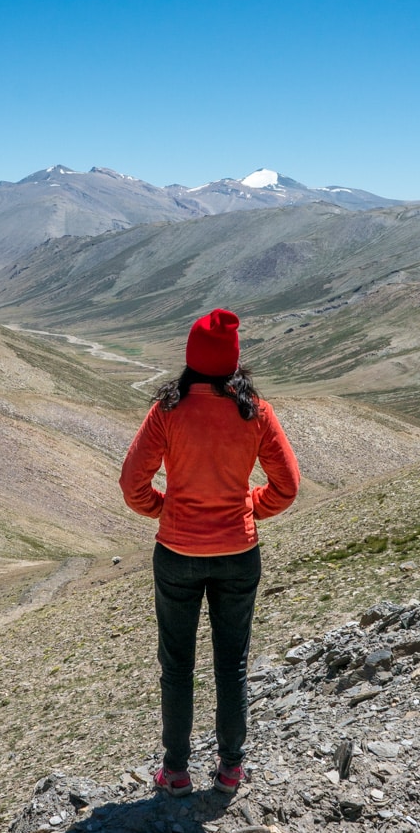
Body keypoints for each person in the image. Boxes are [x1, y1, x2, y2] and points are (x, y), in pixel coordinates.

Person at [119, 308, 300, 796]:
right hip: (238, 553)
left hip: (177, 552)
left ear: (191, 358)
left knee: (176, 665)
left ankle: (175, 771)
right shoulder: (255, 411)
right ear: (234, 361)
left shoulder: (168, 410)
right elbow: (287, 486)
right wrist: (250, 508)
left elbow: (133, 485)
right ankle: (230, 769)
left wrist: (167, 509)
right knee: (232, 663)